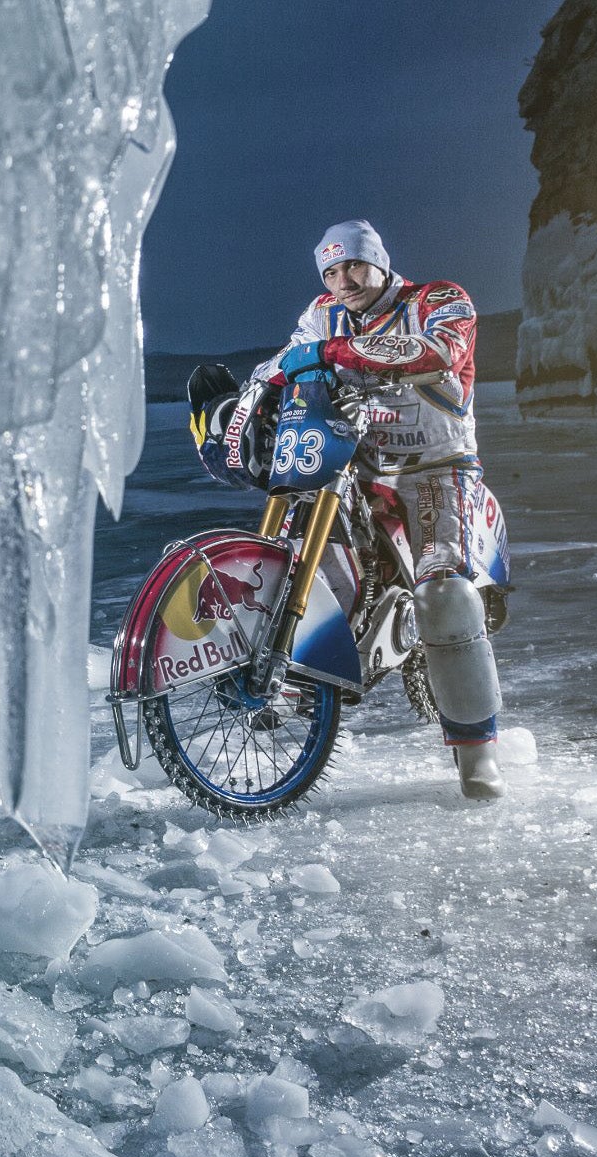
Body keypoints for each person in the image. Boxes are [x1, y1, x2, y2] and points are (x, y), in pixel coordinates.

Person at [196, 219, 509, 799]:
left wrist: (327, 353)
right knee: (299, 553)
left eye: (354, 266)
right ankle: (292, 674)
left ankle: (477, 752)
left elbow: (440, 352)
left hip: (436, 469)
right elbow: (290, 359)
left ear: (380, 261)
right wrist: (241, 406)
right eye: (332, 271)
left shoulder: (437, 299)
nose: (344, 280)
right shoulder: (323, 312)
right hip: (353, 467)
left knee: (443, 592)